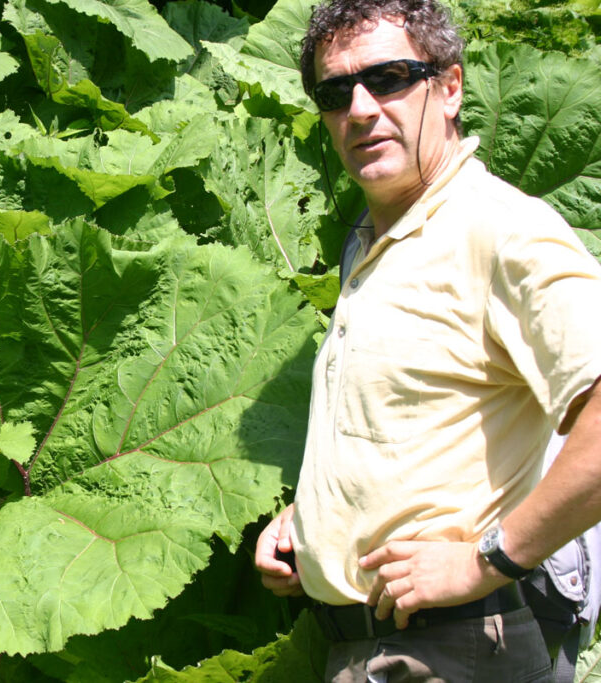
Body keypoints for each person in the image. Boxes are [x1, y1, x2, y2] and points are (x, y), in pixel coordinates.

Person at [253, 0, 601, 680]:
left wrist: (488, 559)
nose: (359, 109)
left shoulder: (502, 231)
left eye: (387, 79)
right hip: (366, 648)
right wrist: (311, 521)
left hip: (459, 645)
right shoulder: (372, 244)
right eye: (334, 92)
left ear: (450, 88)